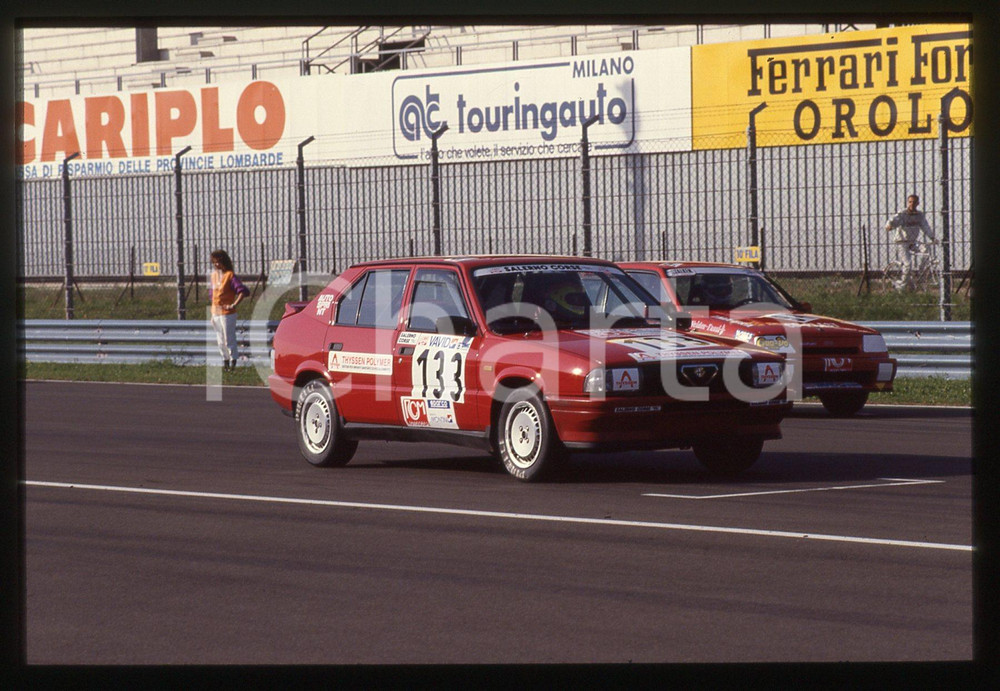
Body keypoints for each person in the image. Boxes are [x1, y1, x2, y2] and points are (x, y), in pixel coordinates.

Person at [885, 194, 937, 291]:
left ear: (918, 203)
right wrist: (889, 225)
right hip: (902, 242)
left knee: (926, 249)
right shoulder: (903, 214)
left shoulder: (919, 215)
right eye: (910, 202)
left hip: (913, 242)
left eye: (914, 202)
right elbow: (893, 220)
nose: (912, 204)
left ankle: (920, 273)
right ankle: (901, 286)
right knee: (908, 264)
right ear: (907, 203)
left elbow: (925, 226)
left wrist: (932, 237)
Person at [209, 249, 247, 371]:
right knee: (220, 339)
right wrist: (212, 313)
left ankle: (233, 361)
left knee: (228, 338)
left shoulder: (230, 276)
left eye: (219, 262)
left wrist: (233, 304)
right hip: (216, 312)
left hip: (227, 313)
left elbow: (242, 291)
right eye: (214, 262)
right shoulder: (214, 276)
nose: (216, 265)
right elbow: (212, 295)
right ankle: (225, 360)